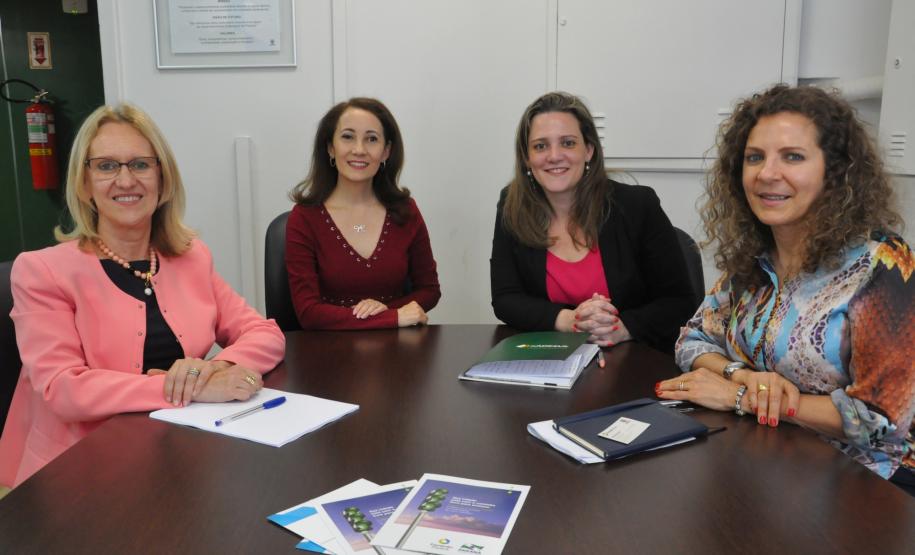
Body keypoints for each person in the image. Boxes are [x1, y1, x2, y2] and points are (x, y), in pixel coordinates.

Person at [0, 104, 285, 489]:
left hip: (180, 457)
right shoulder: (41, 271)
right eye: (105, 166)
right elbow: (63, 389)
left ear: (162, 179)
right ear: (84, 184)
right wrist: (188, 387)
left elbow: (265, 334)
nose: (125, 179)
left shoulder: (191, 257)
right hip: (77, 472)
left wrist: (213, 368)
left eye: (140, 165)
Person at [659, 84, 915, 492]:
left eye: (792, 157)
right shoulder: (753, 258)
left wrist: (739, 398)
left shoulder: (882, 263)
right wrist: (739, 375)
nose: (766, 174)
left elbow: (879, 420)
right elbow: (691, 339)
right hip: (768, 459)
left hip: (868, 484)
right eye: (754, 158)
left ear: (835, 171)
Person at [490, 91, 697, 353]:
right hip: (553, 360)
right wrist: (570, 320)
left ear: (588, 150)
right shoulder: (512, 204)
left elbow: (680, 302)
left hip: (632, 360)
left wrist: (622, 327)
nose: (554, 156)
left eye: (567, 143)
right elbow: (506, 298)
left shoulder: (637, 206)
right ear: (527, 158)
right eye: (540, 146)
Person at [286, 97, 440, 329]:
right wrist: (392, 316)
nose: (359, 150)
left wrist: (386, 311)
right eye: (347, 137)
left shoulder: (405, 211)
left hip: (398, 351)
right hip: (326, 352)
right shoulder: (304, 217)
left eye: (371, 139)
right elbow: (308, 312)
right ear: (330, 147)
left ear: (386, 151)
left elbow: (429, 290)